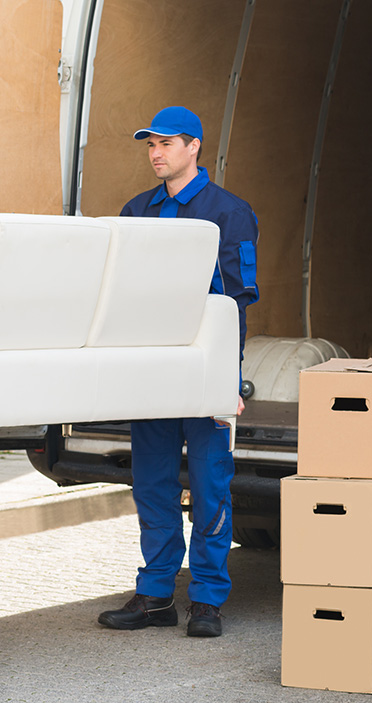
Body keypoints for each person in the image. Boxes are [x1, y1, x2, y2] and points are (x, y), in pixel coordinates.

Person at [97, 106, 258, 638]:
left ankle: (208, 599)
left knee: (211, 486)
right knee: (153, 485)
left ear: (195, 147)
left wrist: (226, 381)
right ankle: (156, 594)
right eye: (150, 145)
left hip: (203, 370)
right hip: (152, 371)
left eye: (166, 143)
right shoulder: (136, 210)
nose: (156, 153)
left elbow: (235, 302)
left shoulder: (229, 213)